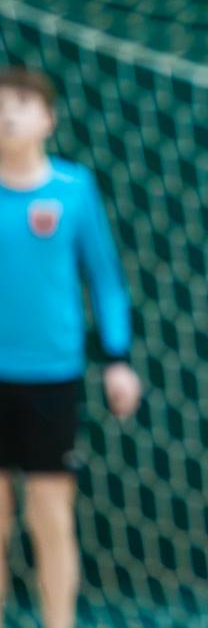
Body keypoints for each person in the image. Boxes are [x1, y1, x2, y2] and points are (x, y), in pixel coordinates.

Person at [0, 67, 142, 628]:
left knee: (51, 516)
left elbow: (105, 279)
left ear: (49, 119)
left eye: (21, 102)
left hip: (53, 378)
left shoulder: (73, 189)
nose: (7, 113)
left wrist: (118, 359)